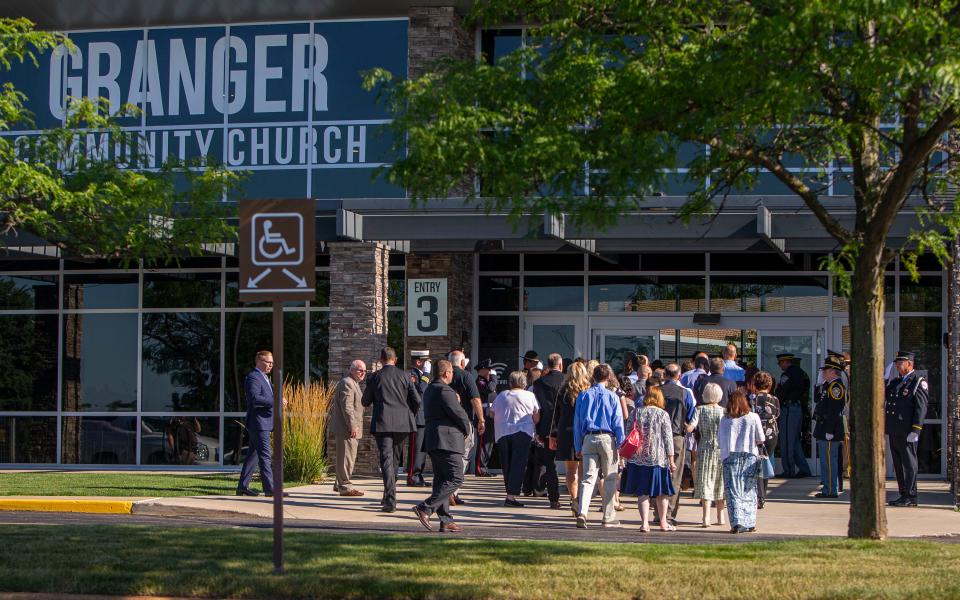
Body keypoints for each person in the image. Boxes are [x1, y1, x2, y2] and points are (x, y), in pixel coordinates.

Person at [413, 360, 471, 533]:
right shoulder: (445, 390)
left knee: (441, 480)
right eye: (452, 372)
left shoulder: (431, 389)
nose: (453, 374)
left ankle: (445, 519)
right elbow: (459, 415)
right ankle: (425, 508)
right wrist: (467, 428)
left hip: (434, 439)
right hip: (447, 440)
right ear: (446, 373)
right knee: (456, 477)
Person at [361, 346, 421, 513]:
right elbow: (416, 400)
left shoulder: (375, 377)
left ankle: (390, 499)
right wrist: (409, 414)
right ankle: (388, 493)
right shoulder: (405, 376)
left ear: (381, 360)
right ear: (395, 360)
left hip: (383, 423)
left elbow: (365, 401)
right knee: (394, 460)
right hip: (403, 424)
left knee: (387, 460)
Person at [573, 363, 626, 529]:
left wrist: (577, 445)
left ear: (592, 377)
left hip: (589, 437)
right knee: (610, 477)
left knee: (588, 479)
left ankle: (583, 511)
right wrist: (622, 445)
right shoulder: (612, 397)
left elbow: (578, 423)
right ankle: (608, 516)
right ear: (609, 377)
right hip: (607, 438)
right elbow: (618, 423)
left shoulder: (583, 395)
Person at [621, 386, 676, 532]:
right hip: (658, 458)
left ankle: (644, 523)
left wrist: (624, 456)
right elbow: (668, 438)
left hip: (637, 458)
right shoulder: (662, 414)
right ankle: (663, 522)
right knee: (662, 492)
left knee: (642, 492)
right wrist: (671, 460)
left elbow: (628, 434)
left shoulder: (635, 412)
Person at [237, 350, 286, 497]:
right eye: (268, 362)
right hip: (259, 423)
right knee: (265, 455)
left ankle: (242, 487)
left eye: (272, 363)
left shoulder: (264, 377)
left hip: (263, 423)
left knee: (253, 456)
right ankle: (270, 489)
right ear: (259, 361)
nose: (271, 365)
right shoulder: (253, 377)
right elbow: (254, 399)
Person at [885, 350, 929, 507]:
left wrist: (916, 430)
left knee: (909, 465)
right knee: (898, 464)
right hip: (895, 430)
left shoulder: (918, 381)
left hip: (907, 431)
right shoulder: (896, 382)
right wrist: (883, 379)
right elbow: (885, 395)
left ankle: (911, 496)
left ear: (909, 364)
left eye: (900, 363)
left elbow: (921, 408)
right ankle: (903, 494)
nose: (897, 365)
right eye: (896, 363)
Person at [719, 390, 765, 534]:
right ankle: (750, 521)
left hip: (730, 456)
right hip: (749, 455)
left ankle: (737, 522)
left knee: (733, 490)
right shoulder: (753, 417)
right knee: (749, 489)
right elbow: (761, 438)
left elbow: (720, 439)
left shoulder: (725, 419)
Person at [494, 370, 541, 507]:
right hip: (522, 432)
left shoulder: (502, 395)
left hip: (503, 432)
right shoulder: (529, 395)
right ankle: (511, 496)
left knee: (506, 464)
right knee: (518, 464)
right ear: (524, 383)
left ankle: (510, 493)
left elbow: (491, 412)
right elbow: (536, 416)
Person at [550, 360, 591, 516]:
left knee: (570, 470)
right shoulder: (588, 391)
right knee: (583, 470)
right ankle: (581, 501)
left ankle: (574, 500)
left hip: (566, 433)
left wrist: (553, 435)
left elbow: (556, 415)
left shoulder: (563, 391)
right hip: (583, 433)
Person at [658, 363, 697, 523]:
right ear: (679, 376)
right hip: (676, 436)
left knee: (658, 473)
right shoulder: (685, 393)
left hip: (658, 436)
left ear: (664, 375)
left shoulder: (656, 392)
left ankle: (657, 512)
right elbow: (691, 414)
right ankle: (669, 513)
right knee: (675, 476)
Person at [448, 350, 482, 505]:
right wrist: (481, 419)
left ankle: (450, 491)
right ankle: (452, 490)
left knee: (449, 457)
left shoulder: (443, 377)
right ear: (462, 363)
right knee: (463, 456)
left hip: (445, 422)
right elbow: (475, 399)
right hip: (464, 422)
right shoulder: (466, 376)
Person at [531, 353, 564, 509]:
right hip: (564, 425)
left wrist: (537, 429)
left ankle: (554, 497)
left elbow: (537, 407)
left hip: (546, 426)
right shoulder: (566, 381)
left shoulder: (538, 383)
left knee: (550, 464)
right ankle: (575, 498)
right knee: (574, 466)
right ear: (560, 364)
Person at [330, 359, 366, 497]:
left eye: (364, 371)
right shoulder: (348, 383)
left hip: (348, 428)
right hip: (347, 429)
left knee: (345, 457)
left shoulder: (353, 383)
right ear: (351, 370)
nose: (362, 373)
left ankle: (339, 484)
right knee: (347, 458)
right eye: (359, 370)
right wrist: (353, 426)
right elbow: (347, 407)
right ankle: (345, 487)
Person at [774, 353, 813, 478]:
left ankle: (789, 470)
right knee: (794, 441)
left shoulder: (788, 374)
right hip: (796, 408)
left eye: (780, 363)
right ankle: (804, 469)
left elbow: (782, 391)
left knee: (787, 441)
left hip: (789, 409)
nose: (780, 366)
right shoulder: (802, 373)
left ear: (786, 362)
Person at [813, 356, 846, 499]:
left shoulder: (836, 387)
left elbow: (834, 410)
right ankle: (827, 488)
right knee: (825, 461)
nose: (823, 373)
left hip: (829, 427)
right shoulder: (828, 385)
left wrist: (829, 430)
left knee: (830, 461)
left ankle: (831, 490)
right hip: (823, 426)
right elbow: (817, 399)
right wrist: (818, 385)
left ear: (833, 371)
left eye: (825, 370)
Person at [693, 382, 726, 527]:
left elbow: (691, 426)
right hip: (721, 449)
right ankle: (720, 516)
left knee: (705, 480)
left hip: (705, 447)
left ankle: (705, 517)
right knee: (720, 481)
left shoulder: (699, 410)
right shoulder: (724, 412)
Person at [751, 371, 780, 507]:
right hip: (771, 435)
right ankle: (763, 494)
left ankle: (759, 495)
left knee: (757, 465)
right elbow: (777, 414)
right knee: (766, 463)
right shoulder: (775, 399)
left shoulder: (752, 399)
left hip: (756, 435)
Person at [406, 350, 431, 487]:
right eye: (425, 361)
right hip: (416, 418)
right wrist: (426, 375)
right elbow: (419, 392)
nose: (428, 364)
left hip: (424, 418)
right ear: (418, 362)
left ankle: (418, 475)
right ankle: (412, 476)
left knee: (422, 449)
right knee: (416, 449)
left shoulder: (420, 376)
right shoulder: (413, 375)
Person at [474, 359, 498, 477]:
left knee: (489, 443)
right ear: (482, 370)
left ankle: (484, 467)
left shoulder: (486, 381)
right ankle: (480, 468)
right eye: (488, 369)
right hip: (484, 414)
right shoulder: (480, 381)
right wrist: (494, 377)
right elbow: (490, 388)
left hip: (490, 414)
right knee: (483, 442)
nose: (490, 371)